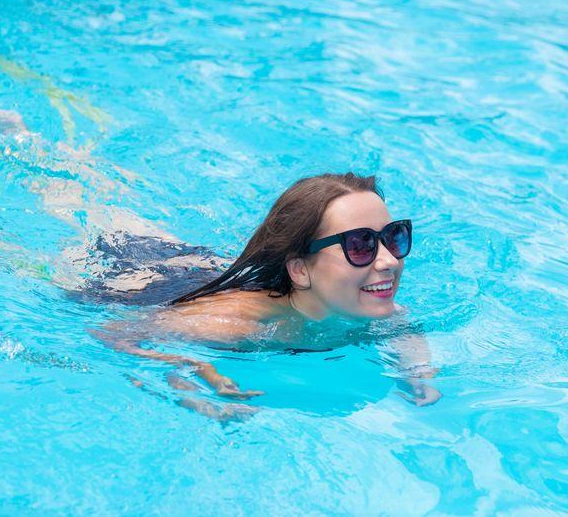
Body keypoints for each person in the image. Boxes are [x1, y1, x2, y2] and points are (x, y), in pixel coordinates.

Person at [93, 173, 440, 406]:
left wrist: (418, 374)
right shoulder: (237, 324)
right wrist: (196, 372)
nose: (389, 262)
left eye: (393, 237)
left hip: (200, 267)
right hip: (121, 272)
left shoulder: (366, 304)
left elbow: (402, 327)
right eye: (361, 245)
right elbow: (113, 334)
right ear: (300, 270)